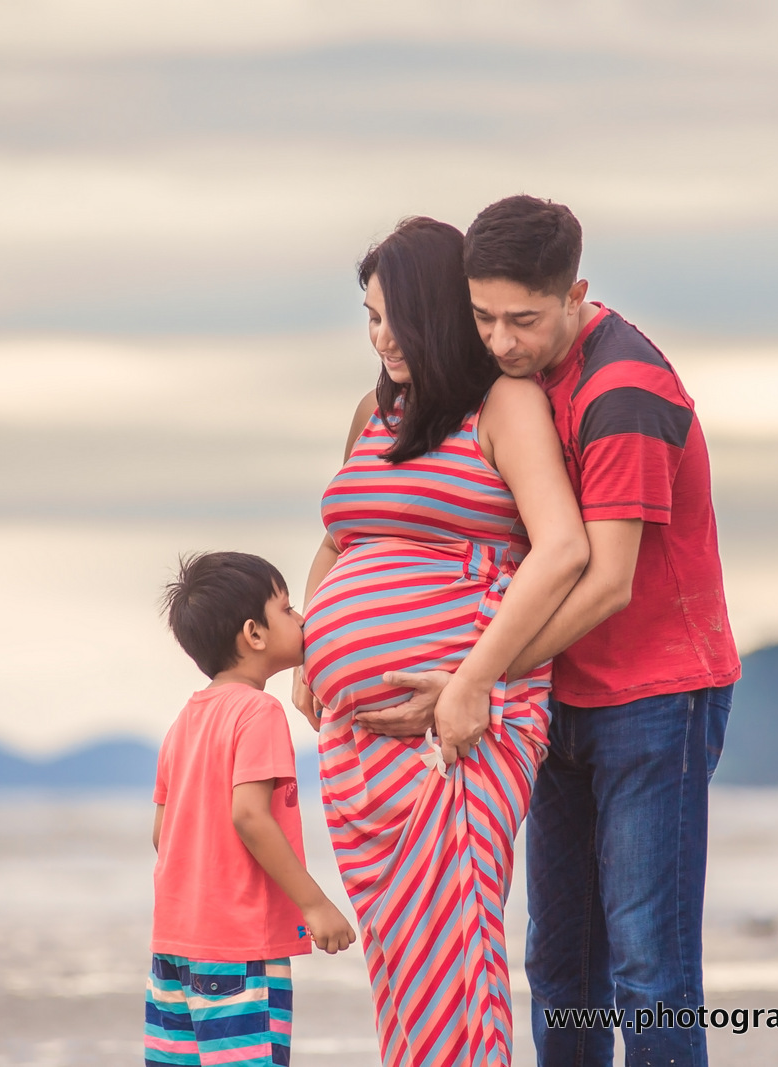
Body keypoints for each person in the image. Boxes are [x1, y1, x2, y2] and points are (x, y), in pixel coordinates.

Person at [367, 196, 741, 1067]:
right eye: (483, 317)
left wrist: (475, 677)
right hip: (556, 699)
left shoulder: (624, 387)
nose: (500, 341)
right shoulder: (517, 380)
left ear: (575, 294)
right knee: (560, 965)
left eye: (523, 320)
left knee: (649, 967)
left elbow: (605, 580)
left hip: (656, 700)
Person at [291, 217, 590, 1067]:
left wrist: (470, 683)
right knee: (401, 963)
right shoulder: (374, 412)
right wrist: (313, 646)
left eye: (396, 317)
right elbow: (340, 540)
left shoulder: (504, 405)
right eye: (369, 317)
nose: (382, 337)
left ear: (438, 311)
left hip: (463, 727)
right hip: (357, 745)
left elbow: (563, 548)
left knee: (455, 952)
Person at [148, 551, 356, 1067]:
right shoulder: (259, 711)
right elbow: (249, 815)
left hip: (173, 947)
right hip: (239, 951)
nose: (302, 617)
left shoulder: (184, 721)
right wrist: (315, 905)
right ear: (254, 634)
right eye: (286, 608)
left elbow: (162, 833)